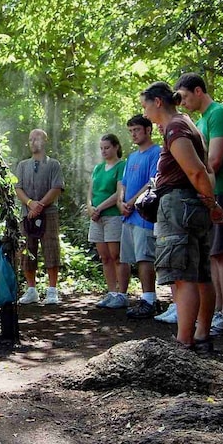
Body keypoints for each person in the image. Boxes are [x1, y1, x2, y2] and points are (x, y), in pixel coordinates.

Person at [140, 82, 223, 350]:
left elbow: (197, 172)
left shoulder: (176, 128)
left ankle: (184, 341)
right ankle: (201, 335)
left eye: (144, 106)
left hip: (180, 207)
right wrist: (208, 203)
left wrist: (212, 204)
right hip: (193, 205)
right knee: (200, 274)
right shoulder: (187, 124)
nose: (144, 114)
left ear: (157, 102)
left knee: (183, 275)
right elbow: (205, 171)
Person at [174, 73, 223, 336]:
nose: (183, 103)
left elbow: (213, 161)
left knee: (222, 254)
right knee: (211, 255)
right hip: (204, 193)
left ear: (199, 91)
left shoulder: (219, 114)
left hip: (221, 191)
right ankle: (217, 313)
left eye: (186, 97)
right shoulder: (201, 121)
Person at [114, 115, 165, 319]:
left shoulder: (157, 152)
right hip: (128, 215)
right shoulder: (131, 157)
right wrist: (120, 202)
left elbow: (153, 182)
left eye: (136, 130)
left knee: (145, 257)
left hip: (145, 213)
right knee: (129, 257)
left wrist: (132, 201)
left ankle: (149, 300)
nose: (133, 134)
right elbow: (123, 182)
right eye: (131, 131)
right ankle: (144, 298)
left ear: (148, 130)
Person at [15, 129, 65, 305]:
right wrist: (30, 204)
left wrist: (40, 205)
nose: (32, 141)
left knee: (51, 248)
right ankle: (31, 290)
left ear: (45, 140)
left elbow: (57, 188)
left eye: (36, 138)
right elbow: (18, 188)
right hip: (26, 214)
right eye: (30, 139)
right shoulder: (22, 165)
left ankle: (52, 291)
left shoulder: (53, 165)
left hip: (49, 214)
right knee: (27, 251)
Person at [88, 134, 126, 308]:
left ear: (116, 147)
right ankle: (111, 292)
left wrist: (100, 208)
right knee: (104, 257)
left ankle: (122, 294)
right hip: (96, 218)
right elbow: (90, 191)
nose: (104, 151)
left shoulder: (121, 166)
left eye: (107, 147)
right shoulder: (97, 168)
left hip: (112, 216)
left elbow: (119, 193)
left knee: (117, 255)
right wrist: (90, 207)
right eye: (101, 148)